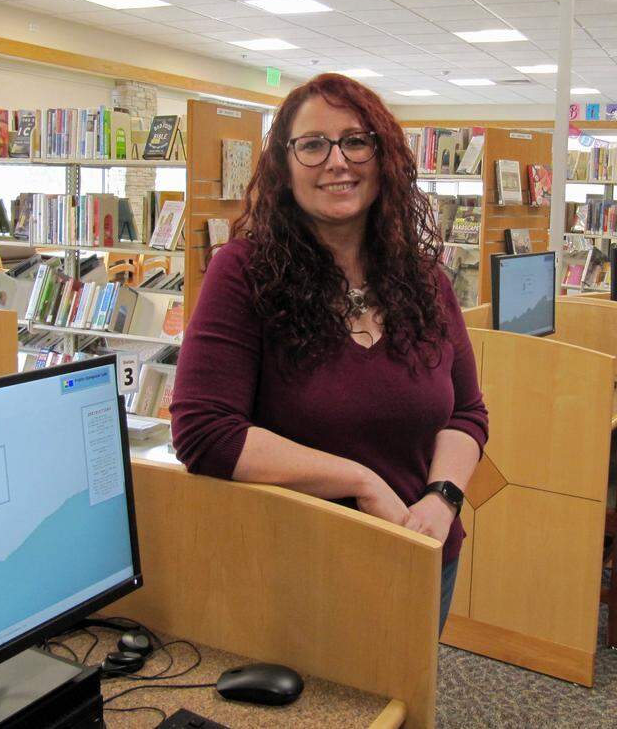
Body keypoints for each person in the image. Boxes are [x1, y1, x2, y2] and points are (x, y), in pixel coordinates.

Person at [170, 73, 488, 635]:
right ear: (284, 165)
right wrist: (361, 482)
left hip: (422, 552)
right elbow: (205, 431)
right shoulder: (243, 274)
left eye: (356, 141)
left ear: (382, 156)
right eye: (313, 144)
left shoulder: (426, 280)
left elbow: (467, 413)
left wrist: (441, 499)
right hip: (300, 567)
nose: (337, 161)